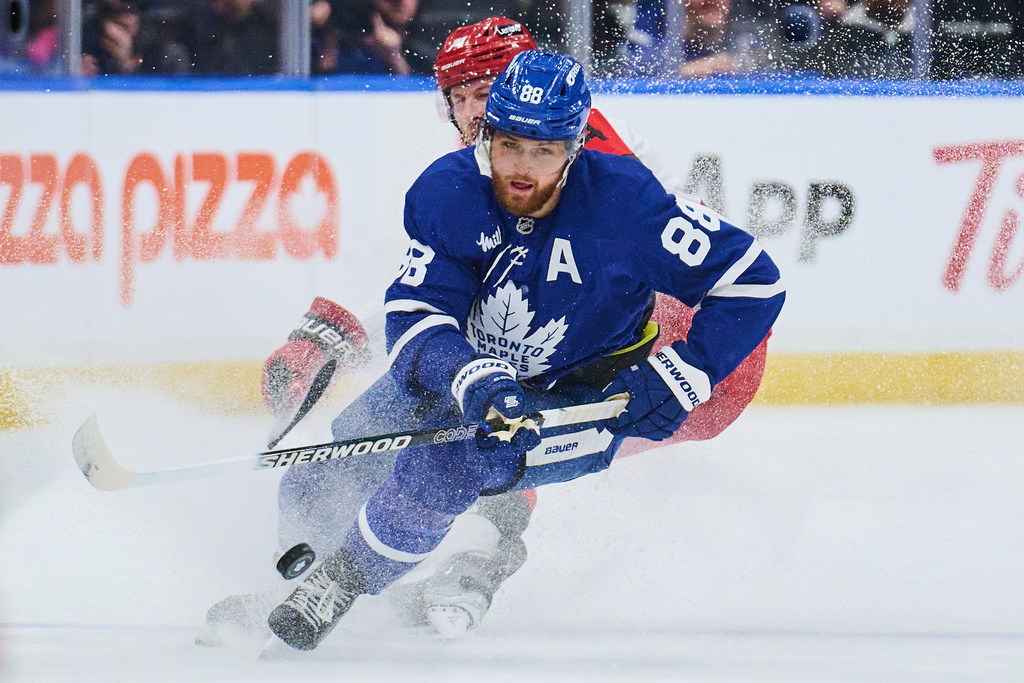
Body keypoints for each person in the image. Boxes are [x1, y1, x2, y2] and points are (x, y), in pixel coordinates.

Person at [265, 48, 784, 652]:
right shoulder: (448, 190)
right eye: (509, 144)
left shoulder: (625, 202)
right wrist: (472, 376)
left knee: (448, 464)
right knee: (327, 469)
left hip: (583, 392)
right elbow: (415, 315)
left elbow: (754, 281)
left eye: (545, 151)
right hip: (476, 369)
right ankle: (282, 582)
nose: (522, 169)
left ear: (577, 146)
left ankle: (343, 582)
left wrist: (683, 372)